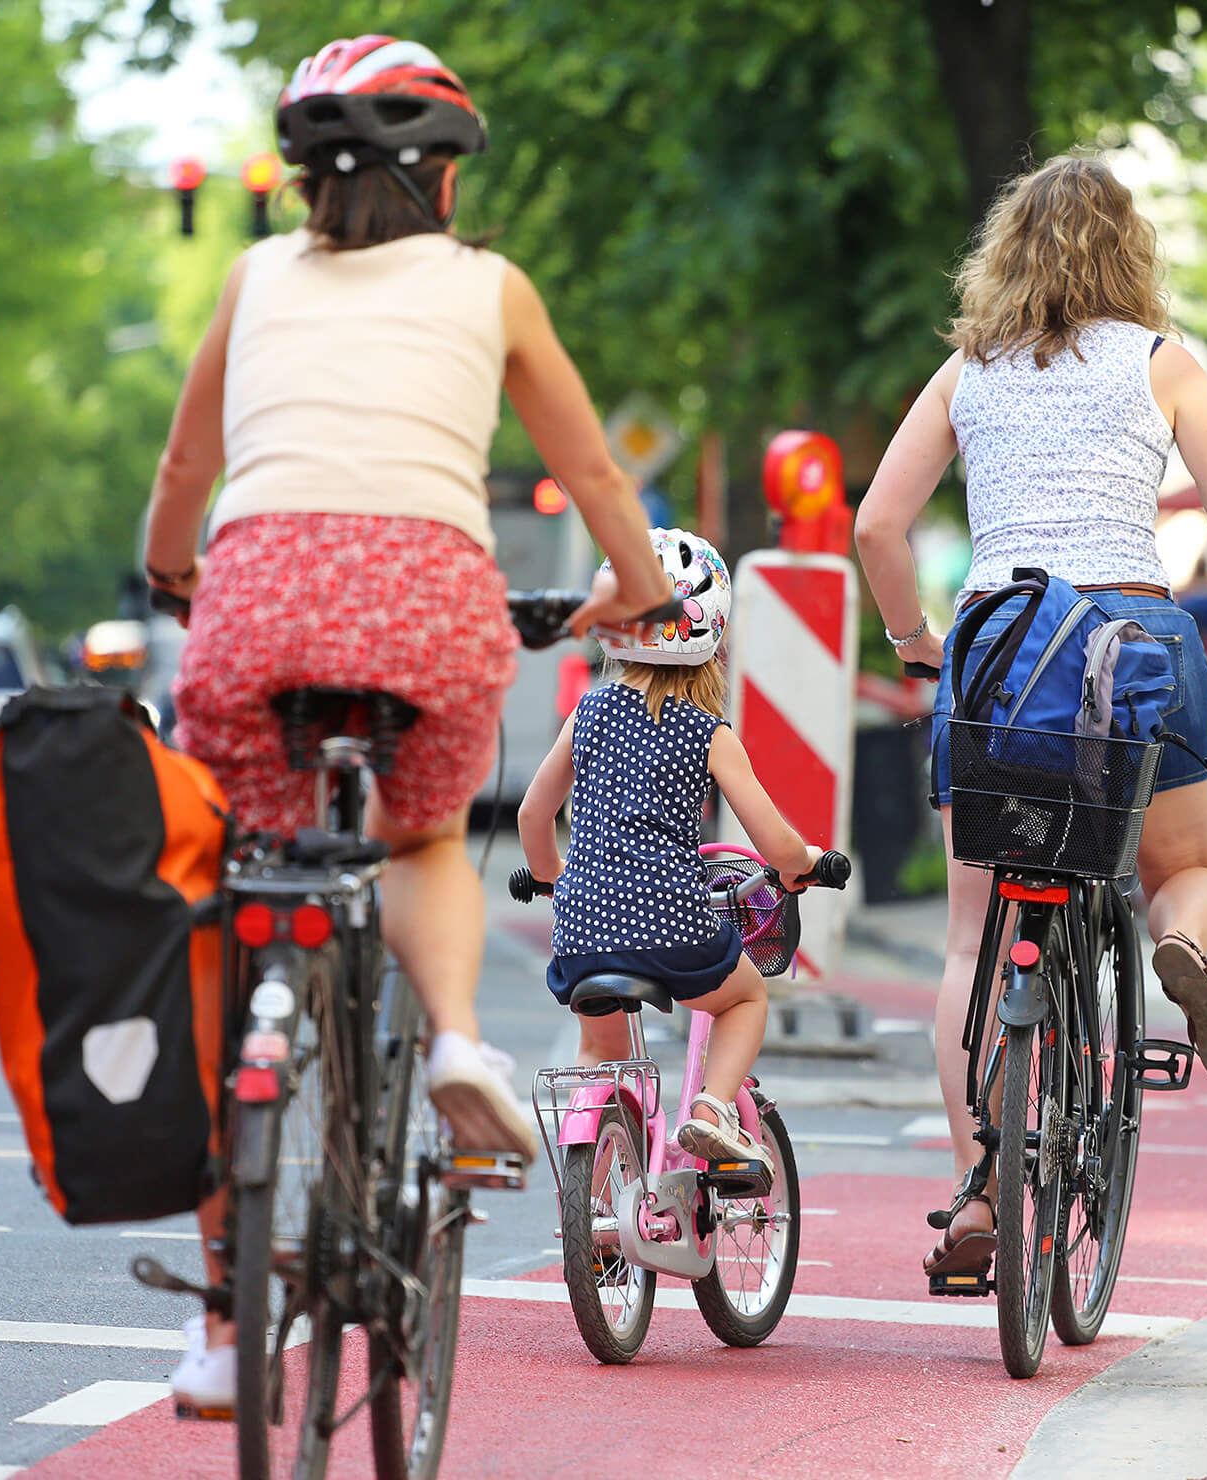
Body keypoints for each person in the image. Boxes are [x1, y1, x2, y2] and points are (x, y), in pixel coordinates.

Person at [139, 34, 670, 1412]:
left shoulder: (253, 278)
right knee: (425, 833)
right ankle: (447, 1035)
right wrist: (639, 589)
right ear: (444, 176)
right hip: (431, 602)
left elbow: (187, 464)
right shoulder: (489, 287)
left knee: (235, 886)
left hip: (254, 600)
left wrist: (171, 571)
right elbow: (592, 467)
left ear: (303, 180)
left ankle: (216, 1325)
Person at [852, 154, 1207, 1281]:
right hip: (1129, 649)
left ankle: (976, 1198)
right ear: (1130, 254)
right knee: (1188, 869)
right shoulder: (1162, 364)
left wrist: (915, 639)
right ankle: (1179, 945)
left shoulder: (967, 370)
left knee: (967, 941)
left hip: (997, 656)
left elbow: (875, 525)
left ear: (1002, 254)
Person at [518, 530, 821, 1181]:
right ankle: (712, 1111)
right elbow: (773, 842)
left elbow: (532, 814)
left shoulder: (588, 712)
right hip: (672, 923)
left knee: (601, 1054)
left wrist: (553, 878)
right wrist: (803, 862)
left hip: (583, 928)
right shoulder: (705, 730)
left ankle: (598, 1218)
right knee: (742, 1001)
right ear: (711, 632)